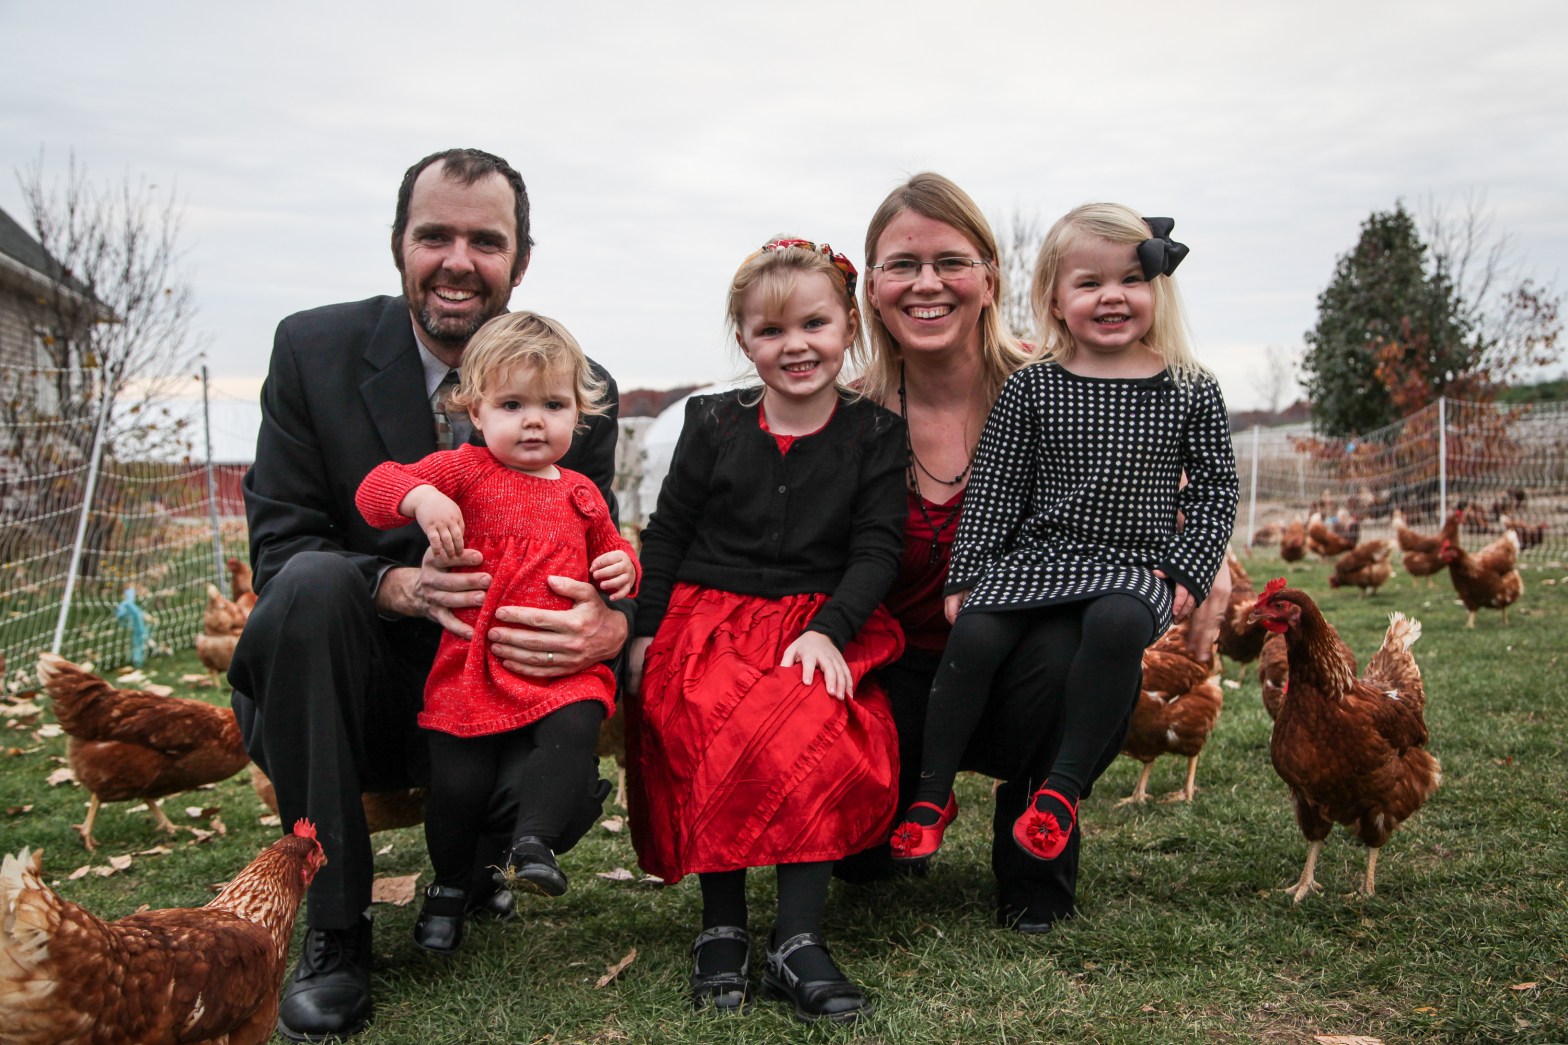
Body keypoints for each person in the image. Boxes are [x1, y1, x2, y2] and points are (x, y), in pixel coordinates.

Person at [230, 148, 628, 1042]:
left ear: (519, 261)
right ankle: (335, 926)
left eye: (485, 240)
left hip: (503, 686)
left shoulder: (569, 384)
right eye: (434, 235)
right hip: (350, 691)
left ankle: (486, 855)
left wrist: (611, 620)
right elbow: (280, 546)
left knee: (568, 741)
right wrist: (401, 585)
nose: (458, 259)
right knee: (314, 579)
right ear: (399, 245)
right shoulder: (312, 348)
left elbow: (602, 541)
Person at [833, 172, 1166, 932]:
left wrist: (1178, 574)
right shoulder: (845, 416)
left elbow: (1145, 512)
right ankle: (897, 804)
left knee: (1074, 642)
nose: (927, 284)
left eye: (950, 261)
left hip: (1026, 666)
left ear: (990, 277)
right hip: (900, 675)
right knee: (865, 864)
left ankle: (1034, 862)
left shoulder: (1060, 393)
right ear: (873, 286)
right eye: (901, 265)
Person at [888, 203, 1238, 867]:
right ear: (1053, 295)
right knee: (979, 633)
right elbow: (997, 487)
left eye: (1132, 280)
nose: (1113, 296)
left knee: (1113, 625)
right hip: (1040, 558)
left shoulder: (1190, 388)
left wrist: (1189, 569)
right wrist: (969, 571)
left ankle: (1060, 791)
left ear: (1157, 290)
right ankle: (932, 792)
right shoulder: (1033, 387)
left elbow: (1217, 489)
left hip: (1139, 564)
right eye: (1089, 282)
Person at [625, 239, 906, 1023]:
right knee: (706, 718)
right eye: (771, 330)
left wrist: (831, 630)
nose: (796, 346)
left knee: (810, 722)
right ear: (744, 339)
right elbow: (669, 530)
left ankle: (797, 934)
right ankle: (722, 924)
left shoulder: (873, 435)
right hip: (709, 614)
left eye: (814, 324)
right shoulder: (712, 422)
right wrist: (646, 632)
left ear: (847, 326)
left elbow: (877, 546)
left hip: (818, 619)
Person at [355, 311, 639, 954]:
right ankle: (451, 887)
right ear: (476, 413)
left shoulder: (583, 493)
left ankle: (532, 844)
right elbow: (375, 490)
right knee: (457, 787)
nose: (534, 420)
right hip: (473, 668)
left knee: (572, 734)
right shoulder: (465, 471)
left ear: (577, 414)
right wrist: (422, 501)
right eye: (512, 404)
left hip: (559, 669)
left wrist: (624, 564)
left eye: (553, 404)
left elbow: (613, 558)